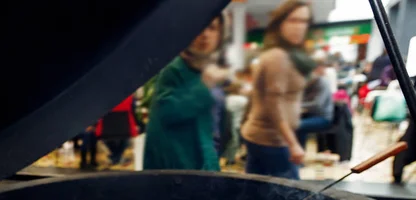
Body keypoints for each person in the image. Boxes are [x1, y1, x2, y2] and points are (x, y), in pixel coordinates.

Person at [143, 14, 229, 171]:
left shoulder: (209, 69)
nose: (205, 34)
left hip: (206, 161)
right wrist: (204, 85)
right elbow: (168, 114)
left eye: (212, 27)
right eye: (200, 26)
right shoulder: (174, 69)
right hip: (180, 169)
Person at [241, 0, 315, 180]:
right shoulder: (278, 57)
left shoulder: (286, 55)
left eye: (304, 21)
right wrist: (293, 144)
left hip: (263, 135)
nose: (299, 27)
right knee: (289, 197)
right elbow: (273, 105)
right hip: (272, 139)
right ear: (280, 23)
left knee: (256, 192)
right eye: (293, 20)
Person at [296, 58, 334, 150]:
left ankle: (299, 157)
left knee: (297, 126)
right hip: (310, 115)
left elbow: (317, 105)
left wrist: (297, 106)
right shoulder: (309, 82)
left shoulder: (322, 82)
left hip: (323, 118)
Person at [96, 94, 139, 166]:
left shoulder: (103, 96)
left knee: (108, 139)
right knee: (125, 140)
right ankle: (116, 157)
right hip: (123, 122)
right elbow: (133, 110)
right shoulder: (129, 95)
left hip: (109, 122)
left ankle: (115, 157)